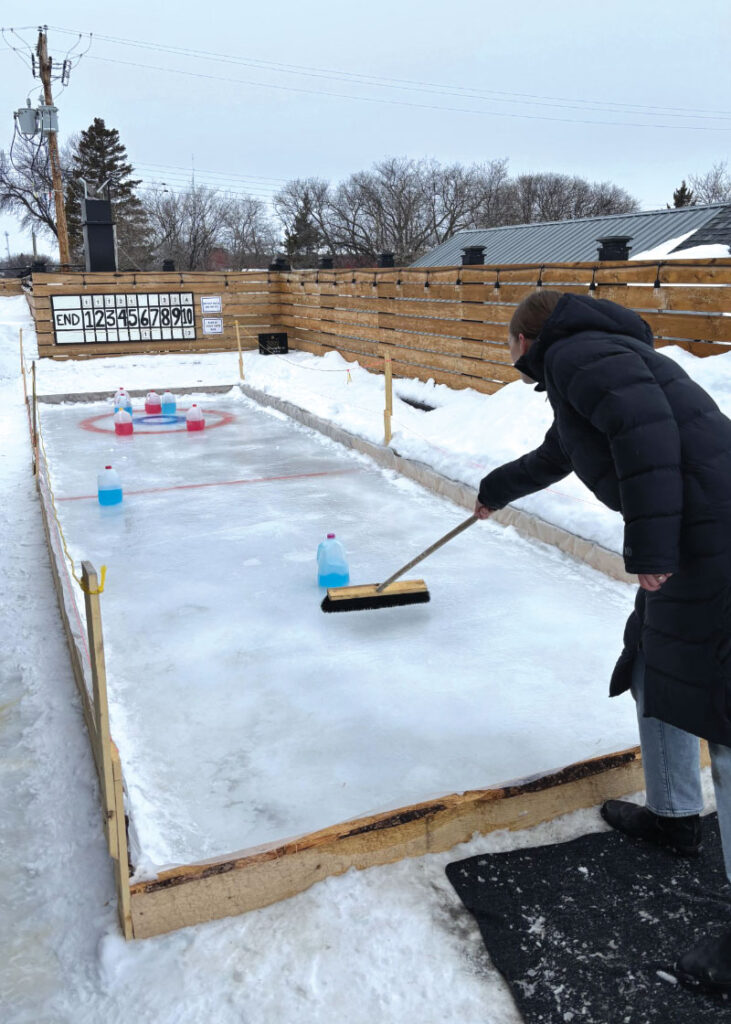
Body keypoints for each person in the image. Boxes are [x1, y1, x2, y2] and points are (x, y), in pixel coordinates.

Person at [474, 289, 731, 994]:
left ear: (525, 340)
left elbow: (647, 440)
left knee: (722, 710)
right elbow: (563, 451)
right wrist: (496, 488)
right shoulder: (590, 363)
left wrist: (649, 545)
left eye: (506, 342)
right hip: (695, 537)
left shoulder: (583, 354)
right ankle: (675, 815)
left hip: (710, 542)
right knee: (652, 662)